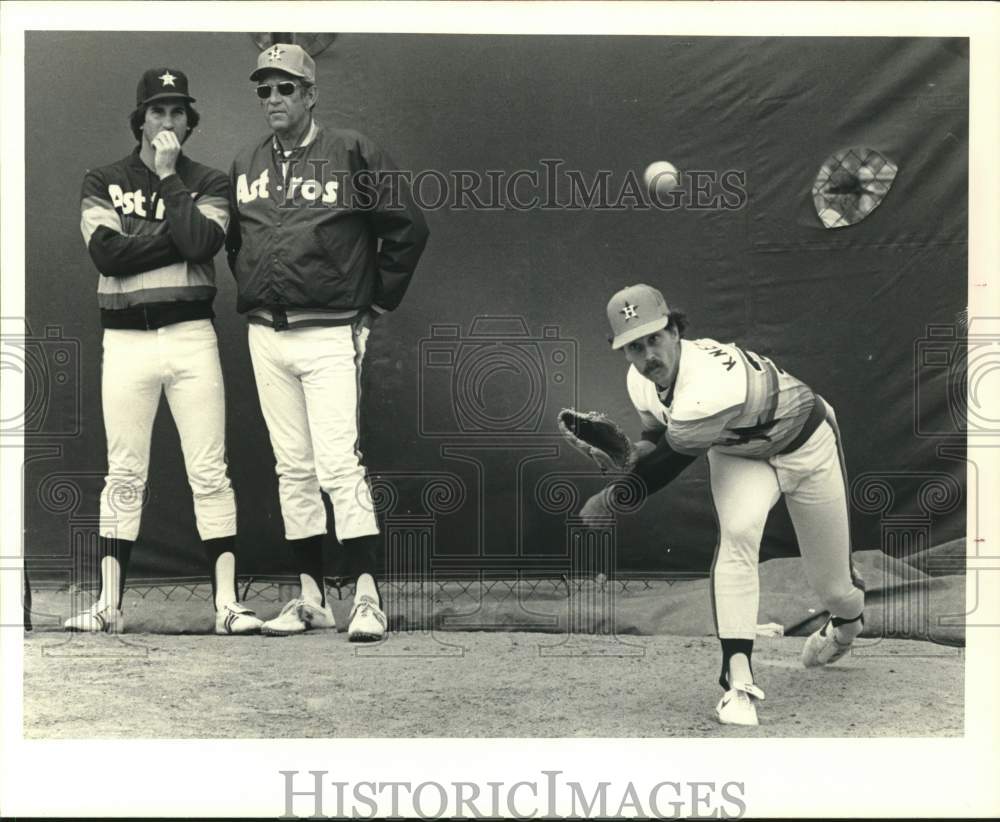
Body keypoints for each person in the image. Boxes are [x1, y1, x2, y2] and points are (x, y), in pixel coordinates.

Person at [581, 284, 865, 726]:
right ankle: (737, 680)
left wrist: (610, 499)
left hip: (806, 446)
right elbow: (658, 434)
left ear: (675, 330)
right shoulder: (641, 380)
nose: (648, 354)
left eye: (655, 338)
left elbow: (671, 461)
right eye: (635, 346)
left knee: (833, 589)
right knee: (737, 535)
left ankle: (848, 623)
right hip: (740, 455)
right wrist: (636, 450)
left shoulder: (708, 380)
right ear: (624, 352)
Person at [226, 44, 429, 639]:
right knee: (293, 468)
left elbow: (407, 226)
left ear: (311, 94)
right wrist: (256, 288)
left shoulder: (350, 150)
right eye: (264, 89)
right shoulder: (246, 161)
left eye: (285, 88)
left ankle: (366, 596)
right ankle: (311, 597)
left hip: (330, 330)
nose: (273, 99)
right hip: (267, 332)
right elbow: (239, 244)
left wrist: (376, 300)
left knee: (340, 464)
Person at [69, 68, 263, 635]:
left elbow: (204, 243)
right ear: (140, 118)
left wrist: (169, 178)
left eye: (178, 111)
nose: (168, 121)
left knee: (210, 470)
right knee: (123, 471)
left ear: (189, 121)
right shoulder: (101, 178)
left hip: (190, 337)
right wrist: (175, 236)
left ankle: (226, 605)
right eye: (158, 110)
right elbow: (107, 256)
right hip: (126, 340)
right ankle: (109, 606)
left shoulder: (208, 181)